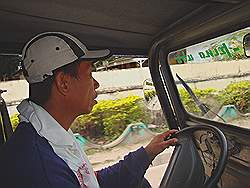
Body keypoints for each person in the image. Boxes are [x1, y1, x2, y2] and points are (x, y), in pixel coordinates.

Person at [0, 32, 178, 188]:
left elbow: (92, 181)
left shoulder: (47, 135)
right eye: (90, 74)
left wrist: (147, 153)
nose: (96, 84)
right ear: (64, 83)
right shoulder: (41, 167)